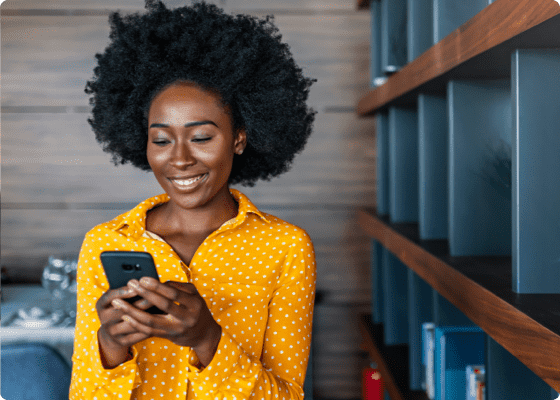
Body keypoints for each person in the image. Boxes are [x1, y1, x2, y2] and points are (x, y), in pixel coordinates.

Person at [69, 1, 316, 399]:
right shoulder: (105, 243)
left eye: (201, 137)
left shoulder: (285, 249)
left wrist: (207, 340)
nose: (180, 158)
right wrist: (111, 349)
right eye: (162, 139)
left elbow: (286, 395)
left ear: (239, 138)